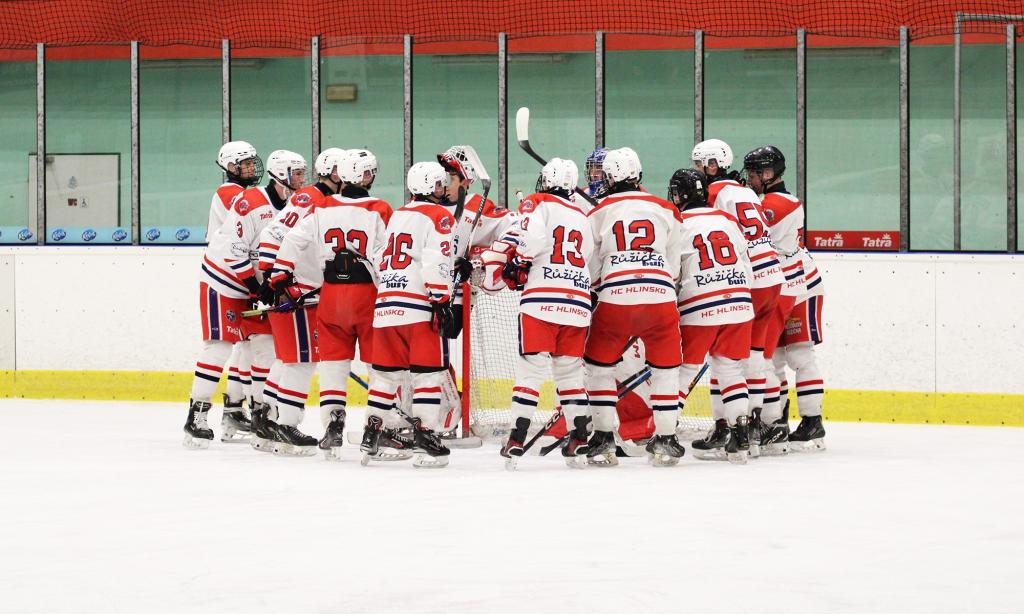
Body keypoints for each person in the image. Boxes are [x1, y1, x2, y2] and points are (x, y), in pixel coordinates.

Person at [274, 148, 397, 460]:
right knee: (379, 366)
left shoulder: (323, 206)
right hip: (367, 296)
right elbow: (387, 255)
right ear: (363, 176)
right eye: (369, 172)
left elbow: (292, 239)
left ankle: (333, 425)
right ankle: (375, 429)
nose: (371, 176)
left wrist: (281, 273)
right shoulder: (379, 208)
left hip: (330, 296)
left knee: (333, 366)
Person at [183, 150, 307, 449]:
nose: (302, 179)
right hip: (223, 281)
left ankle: (260, 419)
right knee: (219, 348)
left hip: (255, 284)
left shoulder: (296, 206)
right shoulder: (251, 202)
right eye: (297, 173)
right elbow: (233, 249)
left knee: (266, 348)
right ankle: (196, 416)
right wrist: (256, 285)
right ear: (281, 174)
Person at [483, 158, 594, 469]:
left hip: (541, 300)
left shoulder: (537, 202)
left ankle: (516, 439)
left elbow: (532, 239)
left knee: (531, 372)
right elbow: (587, 256)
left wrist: (519, 261)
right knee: (570, 374)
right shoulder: (583, 215)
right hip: (577, 302)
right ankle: (579, 439)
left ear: (546, 181)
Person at [583, 147, 683, 466]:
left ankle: (602, 439)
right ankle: (666, 439)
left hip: (616, 297)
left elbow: (591, 265)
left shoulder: (599, 210)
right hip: (660, 297)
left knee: (599, 368)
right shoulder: (666, 208)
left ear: (610, 178)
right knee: (665, 370)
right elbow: (674, 264)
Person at [360, 161, 457, 468]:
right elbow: (435, 259)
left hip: (386, 306)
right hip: (418, 307)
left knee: (386, 377)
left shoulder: (399, 214)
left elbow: (379, 257)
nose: (443, 189)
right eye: (439, 184)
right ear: (428, 186)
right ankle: (426, 437)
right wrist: (441, 298)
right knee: (427, 375)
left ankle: (372, 433)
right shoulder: (440, 215)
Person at [692, 138, 784, 454]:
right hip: (772, 274)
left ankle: (724, 427)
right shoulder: (746, 191)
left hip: (749, 277)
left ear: (713, 165)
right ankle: (754, 427)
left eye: (700, 164)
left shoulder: (714, 193)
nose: (697, 170)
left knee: (724, 359)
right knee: (754, 355)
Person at [252, 148, 347, 455]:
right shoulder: (310, 197)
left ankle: (266, 421)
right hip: (298, 291)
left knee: (289, 359)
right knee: (301, 361)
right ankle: (285, 425)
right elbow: (274, 233)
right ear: (333, 172)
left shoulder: (330, 200)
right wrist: (272, 277)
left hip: (308, 289)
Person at [669, 168, 755, 464]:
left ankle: (666, 435)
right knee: (730, 371)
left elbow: (672, 272)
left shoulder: (678, 222)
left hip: (700, 305)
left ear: (680, 195)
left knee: (684, 371)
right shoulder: (727, 219)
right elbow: (746, 264)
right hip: (740, 302)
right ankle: (741, 438)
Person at [744, 145, 825, 451]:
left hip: (798, 285)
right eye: (750, 173)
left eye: (756, 173)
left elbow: (752, 233)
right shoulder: (764, 200)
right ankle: (776, 423)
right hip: (784, 284)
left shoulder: (779, 203)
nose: (751, 178)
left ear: (772, 173)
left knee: (799, 355)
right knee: (773, 358)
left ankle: (811, 422)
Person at [208, 141, 263, 434]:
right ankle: (233, 409)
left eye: (253, 162)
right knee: (233, 346)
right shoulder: (230, 192)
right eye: (246, 164)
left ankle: (233, 409)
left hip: (243, 277)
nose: (252, 168)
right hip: (231, 277)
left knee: (246, 345)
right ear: (231, 167)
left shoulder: (244, 192)